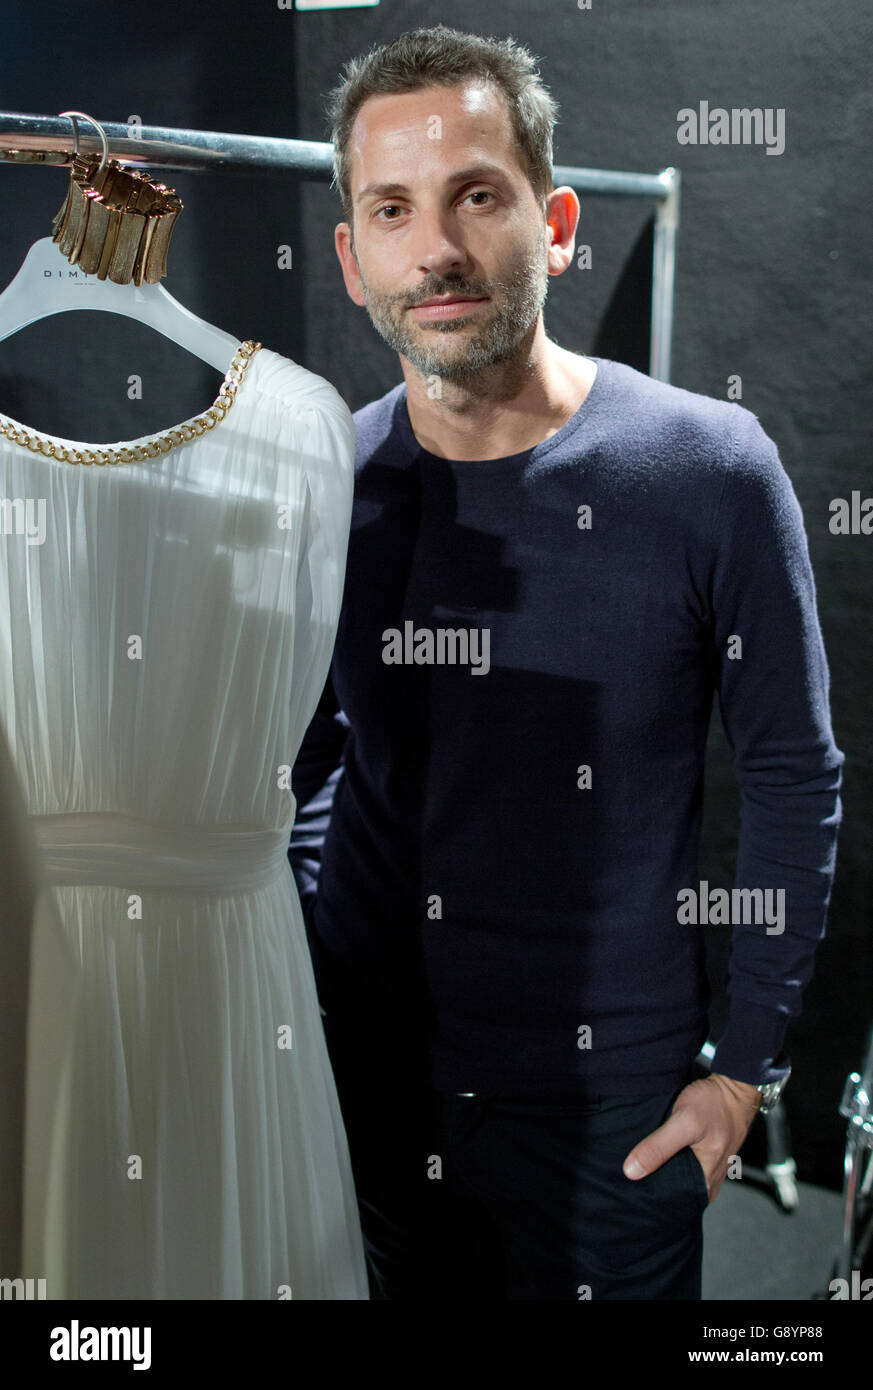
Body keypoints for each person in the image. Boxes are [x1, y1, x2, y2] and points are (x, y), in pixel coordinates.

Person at [288, 25, 844, 1300]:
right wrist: (328, 961)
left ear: (555, 221)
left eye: (477, 194)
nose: (435, 246)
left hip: (615, 1118)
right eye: (393, 208)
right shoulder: (322, 481)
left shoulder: (710, 468)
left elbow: (794, 779)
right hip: (373, 1092)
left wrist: (742, 1072)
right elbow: (302, 753)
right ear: (353, 256)